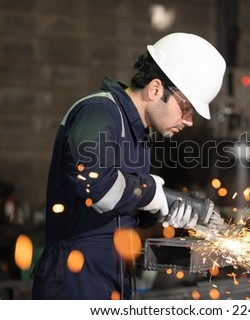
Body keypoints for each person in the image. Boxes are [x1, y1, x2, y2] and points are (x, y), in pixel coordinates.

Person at [31, 32, 226, 299]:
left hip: (111, 277)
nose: (189, 121)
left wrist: (167, 209)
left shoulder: (138, 135)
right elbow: (100, 188)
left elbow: (127, 205)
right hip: (74, 279)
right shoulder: (98, 112)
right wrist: (154, 193)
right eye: (186, 107)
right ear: (156, 89)